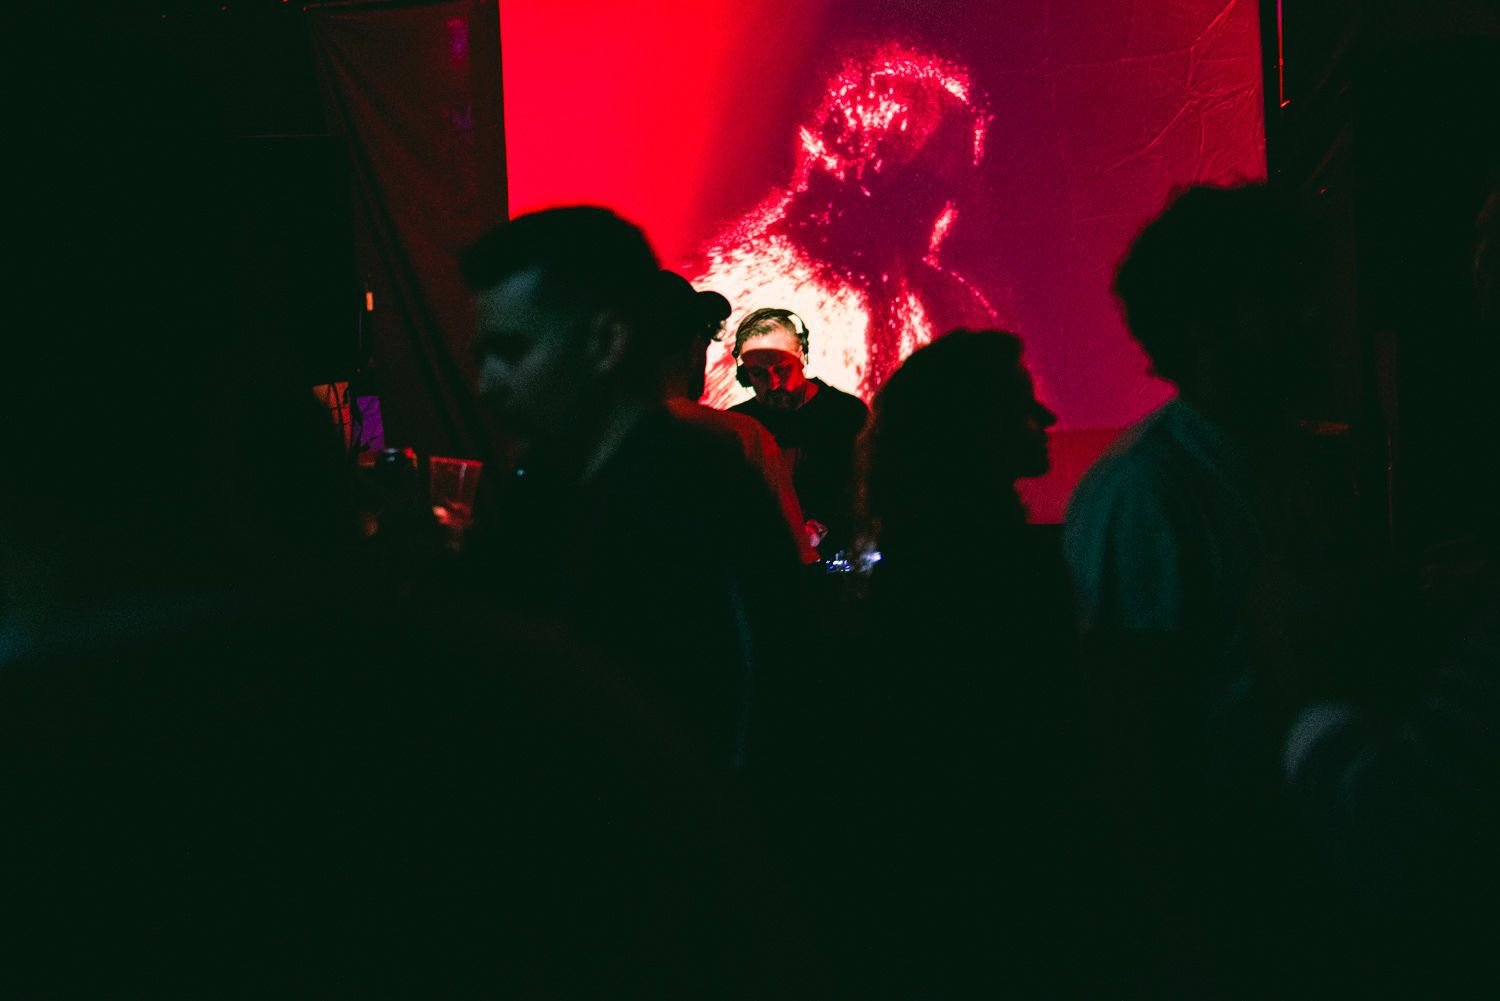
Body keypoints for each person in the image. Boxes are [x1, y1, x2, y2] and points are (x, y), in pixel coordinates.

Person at [1062, 183, 1330, 996]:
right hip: (1229, 902)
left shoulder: (1289, 458)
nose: (1315, 319)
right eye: (1286, 297)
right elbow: (1132, 741)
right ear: (1212, 325)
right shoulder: (1145, 491)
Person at [461, 207, 803, 766]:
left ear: (608, 340)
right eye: (483, 355)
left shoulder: (699, 502)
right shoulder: (543, 489)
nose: (486, 384)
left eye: (513, 350)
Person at [651, 271, 819, 563]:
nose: (774, 384)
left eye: (781, 369)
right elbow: (791, 562)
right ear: (694, 348)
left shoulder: (574, 439)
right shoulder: (739, 438)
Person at [728, 308, 869, 558]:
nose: (773, 384)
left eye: (782, 369)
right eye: (758, 374)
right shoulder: (736, 424)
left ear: (802, 356)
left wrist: (822, 525)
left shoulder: (846, 414)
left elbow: (869, 490)